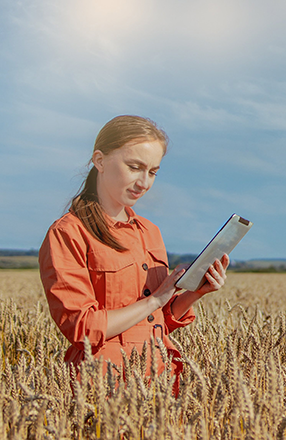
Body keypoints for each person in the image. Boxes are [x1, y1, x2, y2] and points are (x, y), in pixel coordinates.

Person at [38, 115, 229, 390]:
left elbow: (154, 321)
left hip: (160, 382)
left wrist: (194, 293)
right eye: (134, 167)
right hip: (102, 387)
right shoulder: (69, 233)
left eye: (152, 172)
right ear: (100, 161)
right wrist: (154, 301)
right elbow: (82, 328)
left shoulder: (150, 231)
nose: (144, 182)